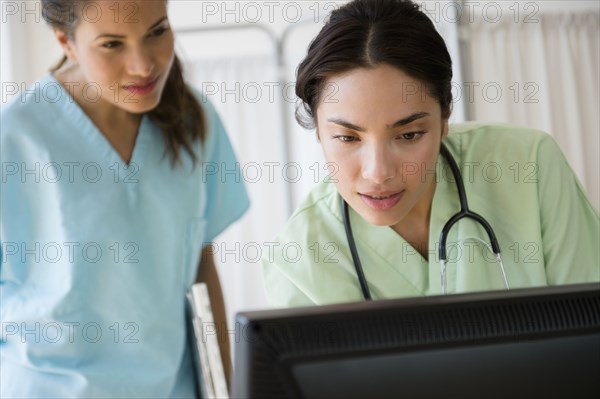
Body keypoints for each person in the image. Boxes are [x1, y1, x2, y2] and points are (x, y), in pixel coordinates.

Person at [262, 0, 599, 308]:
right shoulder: (297, 260)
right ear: (319, 132)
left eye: (409, 134)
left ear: (446, 115)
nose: (378, 172)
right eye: (348, 138)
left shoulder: (529, 167)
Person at [1, 0, 248, 397]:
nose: (143, 66)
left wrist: (227, 389)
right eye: (112, 44)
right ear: (66, 41)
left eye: (157, 31)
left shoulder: (195, 119)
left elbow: (202, 272)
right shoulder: (11, 142)